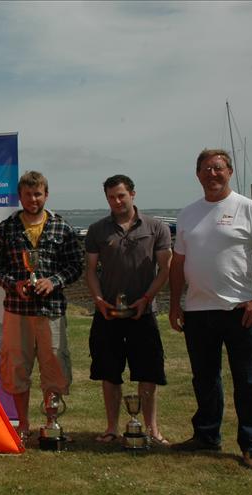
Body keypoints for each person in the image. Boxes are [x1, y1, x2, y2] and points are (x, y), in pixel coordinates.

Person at [169, 148, 252, 470]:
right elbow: (178, 263)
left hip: (239, 310)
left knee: (247, 380)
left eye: (218, 168)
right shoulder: (187, 214)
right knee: (204, 378)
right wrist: (176, 303)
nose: (212, 174)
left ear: (229, 172)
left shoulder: (248, 209)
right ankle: (206, 435)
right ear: (198, 174)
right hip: (198, 310)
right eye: (205, 168)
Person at [0, 170, 84, 440]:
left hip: (51, 310)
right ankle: (24, 425)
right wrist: (13, 284)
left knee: (54, 363)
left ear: (46, 195)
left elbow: (77, 265)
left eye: (37, 193)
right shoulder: (6, 228)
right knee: (16, 366)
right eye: (28, 194)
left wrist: (54, 281)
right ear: (20, 196)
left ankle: (51, 424)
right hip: (18, 310)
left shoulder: (62, 227)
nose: (33, 199)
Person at [85, 175, 172, 445]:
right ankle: (111, 428)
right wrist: (99, 300)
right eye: (111, 197)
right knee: (109, 372)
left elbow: (165, 269)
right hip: (108, 314)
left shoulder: (157, 227)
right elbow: (90, 271)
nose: (117, 201)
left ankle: (151, 428)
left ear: (133, 194)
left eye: (121, 195)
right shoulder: (97, 229)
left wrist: (146, 298)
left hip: (143, 313)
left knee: (148, 372)